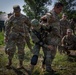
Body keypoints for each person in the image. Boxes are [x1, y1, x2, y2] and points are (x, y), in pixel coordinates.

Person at [40, 2, 64, 72]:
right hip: (49, 39)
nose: (61, 11)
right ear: (55, 7)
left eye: (61, 10)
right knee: (49, 55)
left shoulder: (56, 15)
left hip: (55, 39)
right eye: (60, 9)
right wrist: (48, 27)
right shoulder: (50, 14)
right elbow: (42, 23)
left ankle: (44, 65)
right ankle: (48, 69)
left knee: (53, 54)